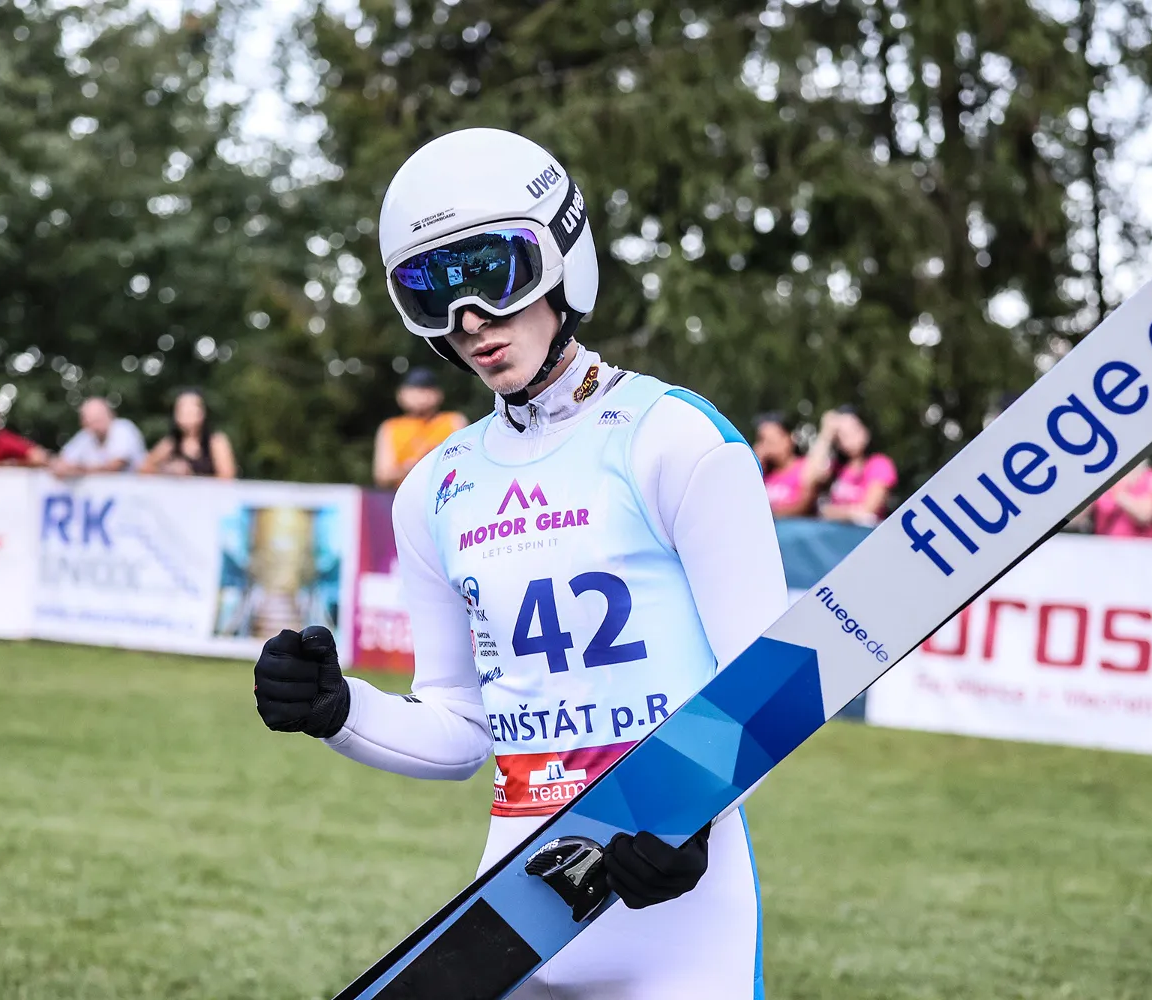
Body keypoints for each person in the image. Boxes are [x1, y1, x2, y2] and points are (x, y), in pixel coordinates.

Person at [251, 128, 785, 998]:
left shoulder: (676, 438)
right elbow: (461, 725)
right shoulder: (435, 489)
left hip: (680, 907)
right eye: (431, 292)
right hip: (514, 913)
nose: (468, 322)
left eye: (491, 274)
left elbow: (771, 680)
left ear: (563, 258)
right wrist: (339, 711)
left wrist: (689, 809)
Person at [372, 366, 468, 489]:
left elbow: (466, 462)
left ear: (439, 394)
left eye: (426, 390)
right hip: (405, 494)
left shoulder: (453, 421)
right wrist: (414, 465)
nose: (420, 396)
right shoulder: (391, 427)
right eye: (414, 390)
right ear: (401, 395)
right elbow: (382, 476)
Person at [802, 406, 897, 525]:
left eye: (854, 429)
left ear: (865, 430)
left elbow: (867, 512)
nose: (850, 438)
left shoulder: (879, 464)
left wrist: (828, 511)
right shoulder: (836, 468)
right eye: (842, 434)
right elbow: (808, 480)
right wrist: (826, 434)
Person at [140, 388, 237, 479]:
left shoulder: (216, 442)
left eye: (191, 408)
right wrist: (167, 470)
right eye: (181, 408)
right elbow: (143, 469)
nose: (186, 412)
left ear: (202, 413)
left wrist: (191, 475)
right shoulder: (170, 444)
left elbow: (227, 476)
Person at [49, 397, 147, 477]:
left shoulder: (123, 428)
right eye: (90, 422)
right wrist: (61, 466)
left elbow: (115, 466)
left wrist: (77, 470)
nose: (95, 427)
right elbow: (63, 460)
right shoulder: (85, 436)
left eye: (98, 420)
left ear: (110, 415)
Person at [1088, 459, 1152, 538]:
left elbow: (1146, 516)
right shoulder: (1104, 478)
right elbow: (1082, 516)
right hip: (1105, 543)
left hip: (1141, 544)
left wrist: (1119, 493)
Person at [753, 412, 812, 517]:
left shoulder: (805, 467)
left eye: (771, 441)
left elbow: (804, 506)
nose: (767, 446)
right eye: (762, 440)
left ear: (788, 439)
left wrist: (768, 514)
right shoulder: (763, 473)